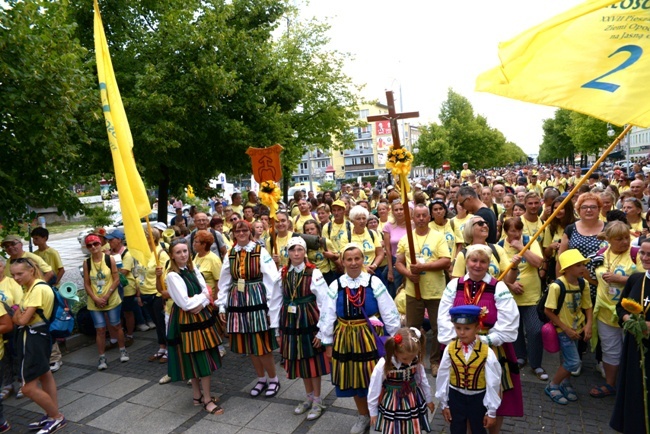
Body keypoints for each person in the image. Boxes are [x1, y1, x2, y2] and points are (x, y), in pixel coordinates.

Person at [439, 244, 523, 434]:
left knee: (494, 391)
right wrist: (456, 340)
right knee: (462, 392)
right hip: (459, 346)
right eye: (474, 260)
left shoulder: (498, 287)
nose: (478, 265)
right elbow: (443, 316)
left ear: (489, 264)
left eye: (483, 261)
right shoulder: (455, 285)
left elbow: (509, 321)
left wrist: (486, 341)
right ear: (466, 262)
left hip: (491, 347)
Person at [320, 243, 400, 434]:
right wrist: (327, 342)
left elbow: (389, 311)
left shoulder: (374, 282)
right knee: (355, 380)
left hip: (370, 337)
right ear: (343, 261)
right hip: (345, 338)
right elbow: (327, 315)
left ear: (363, 260)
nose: (354, 263)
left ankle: (379, 416)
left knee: (376, 378)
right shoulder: (336, 285)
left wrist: (393, 339)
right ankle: (364, 415)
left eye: (357, 258)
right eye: (349, 259)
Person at [217, 220, 281, 398]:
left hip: (257, 299)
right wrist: (222, 305)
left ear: (250, 232)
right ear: (234, 234)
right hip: (238, 302)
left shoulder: (260, 251)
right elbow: (224, 281)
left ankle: (274, 379)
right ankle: (261, 378)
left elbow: (272, 279)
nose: (241, 233)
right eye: (238, 231)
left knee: (262, 344)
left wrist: (271, 308)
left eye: (245, 230)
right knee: (250, 344)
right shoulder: (230, 253)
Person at [270, 237, 332, 421]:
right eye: (292, 250)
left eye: (299, 249)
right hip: (290, 322)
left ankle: (318, 400)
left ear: (305, 252)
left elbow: (325, 301)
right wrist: (276, 330)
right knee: (301, 360)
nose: (296, 253)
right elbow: (275, 301)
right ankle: (309, 397)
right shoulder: (282, 273)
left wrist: (322, 331)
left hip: (309, 321)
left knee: (312, 361)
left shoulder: (314, 273)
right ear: (287, 253)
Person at [164, 238, 223, 415]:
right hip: (186, 321)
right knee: (198, 358)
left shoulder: (192, 268)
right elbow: (186, 304)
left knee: (199, 357)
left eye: (185, 251)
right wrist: (204, 298)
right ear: (172, 256)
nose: (183, 255)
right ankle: (206, 399)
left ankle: (197, 396)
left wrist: (202, 300)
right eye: (178, 252)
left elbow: (207, 291)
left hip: (200, 318)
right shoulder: (172, 275)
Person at [10, 258, 66, 434]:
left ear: (31, 271)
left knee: (27, 388)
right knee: (45, 375)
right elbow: (17, 317)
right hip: (39, 335)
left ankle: (56, 416)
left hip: (33, 337)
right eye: (13, 275)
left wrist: (19, 315)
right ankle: (51, 414)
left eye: (20, 273)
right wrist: (19, 316)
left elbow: (21, 319)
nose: (16, 278)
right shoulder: (31, 288)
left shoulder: (37, 289)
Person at [395, 204, 451, 376]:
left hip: (435, 292)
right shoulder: (406, 239)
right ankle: (413, 359)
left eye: (424, 215)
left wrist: (424, 266)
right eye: (417, 215)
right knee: (412, 329)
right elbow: (399, 263)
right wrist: (409, 275)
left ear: (429, 217)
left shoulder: (438, 237)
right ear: (412, 218)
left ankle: (435, 361)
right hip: (413, 291)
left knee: (438, 328)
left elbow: (446, 261)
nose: (420, 218)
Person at [590, 221, 639, 398]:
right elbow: (592, 275)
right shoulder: (601, 253)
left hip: (629, 313)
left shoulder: (636, 254)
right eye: (619, 239)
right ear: (609, 240)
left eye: (627, 237)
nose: (625, 242)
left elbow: (643, 279)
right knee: (610, 349)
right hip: (604, 312)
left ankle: (631, 386)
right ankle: (610, 384)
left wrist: (621, 279)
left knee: (632, 349)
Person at [436, 305, 502, 434]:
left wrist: (492, 411)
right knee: (456, 429)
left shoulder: (486, 352)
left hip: (478, 399)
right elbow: (442, 375)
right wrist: (444, 404)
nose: (461, 332)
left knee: (478, 430)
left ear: (477, 328)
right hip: (456, 397)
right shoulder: (450, 349)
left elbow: (493, 382)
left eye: (467, 328)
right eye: (458, 328)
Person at [499, 218, 548, 381]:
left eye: (519, 230)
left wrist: (521, 247)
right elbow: (498, 272)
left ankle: (536, 363)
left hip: (532, 295)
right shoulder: (499, 246)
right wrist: (511, 285)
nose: (517, 234)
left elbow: (538, 262)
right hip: (509, 296)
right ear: (506, 231)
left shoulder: (529, 241)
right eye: (513, 231)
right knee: (516, 329)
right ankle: (520, 356)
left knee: (535, 330)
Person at [610, 237, 650, 432]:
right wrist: (626, 318)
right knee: (635, 392)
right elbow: (620, 307)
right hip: (635, 349)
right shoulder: (636, 279)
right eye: (642, 253)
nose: (645, 258)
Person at [544, 249, 593, 405]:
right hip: (563, 329)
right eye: (578, 265)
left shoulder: (583, 283)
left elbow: (588, 306)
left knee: (567, 358)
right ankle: (553, 385)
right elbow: (548, 311)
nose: (583, 269)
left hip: (577, 328)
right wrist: (565, 328)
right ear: (568, 267)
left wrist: (588, 325)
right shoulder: (557, 287)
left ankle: (565, 383)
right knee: (573, 362)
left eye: (583, 265)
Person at [367, 327, 434, 434]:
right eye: (405, 359)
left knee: (412, 424)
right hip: (392, 401)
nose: (409, 362)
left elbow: (422, 380)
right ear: (395, 351)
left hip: (413, 398)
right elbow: (374, 388)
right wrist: (373, 412)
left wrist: (428, 399)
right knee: (393, 426)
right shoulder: (384, 364)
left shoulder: (415, 360)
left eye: (412, 358)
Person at [82, 234, 129, 370]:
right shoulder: (87, 263)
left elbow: (116, 279)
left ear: (100, 244)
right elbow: (86, 283)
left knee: (116, 325)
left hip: (111, 298)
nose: (93, 247)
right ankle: (102, 357)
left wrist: (107, 295)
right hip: (95, 301)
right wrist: (95, 298)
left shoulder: (109, 259)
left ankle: (122, 349)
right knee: (100, 329)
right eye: (90, 245)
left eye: (95, 244)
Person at [142, 228, 170, 364]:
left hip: (157, 294)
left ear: (152, 238)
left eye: (144, 236)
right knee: (157, 323)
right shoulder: (145, 253)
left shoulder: (161, 254)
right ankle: (162, 347)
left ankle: (170, 349)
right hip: (145, 292)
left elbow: (166, 276)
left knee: (162, 322)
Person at [382, 200, 408, 297]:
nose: (399, 212)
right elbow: (387, 249)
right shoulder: (388, 226)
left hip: (410, 261)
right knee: (395, 291)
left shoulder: (412, 224)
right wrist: (390, 270)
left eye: (401, 209)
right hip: (395, 261)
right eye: (396, 210)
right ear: (392, 212)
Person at [303, 220, 337, 285]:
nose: (310, 231)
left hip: (326, 274)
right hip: (312, 275)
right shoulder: (304, 244)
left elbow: (337, 256)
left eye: (312, 229)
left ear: (317, 229)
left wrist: (331, 255)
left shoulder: (325, 241)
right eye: (307, 230)